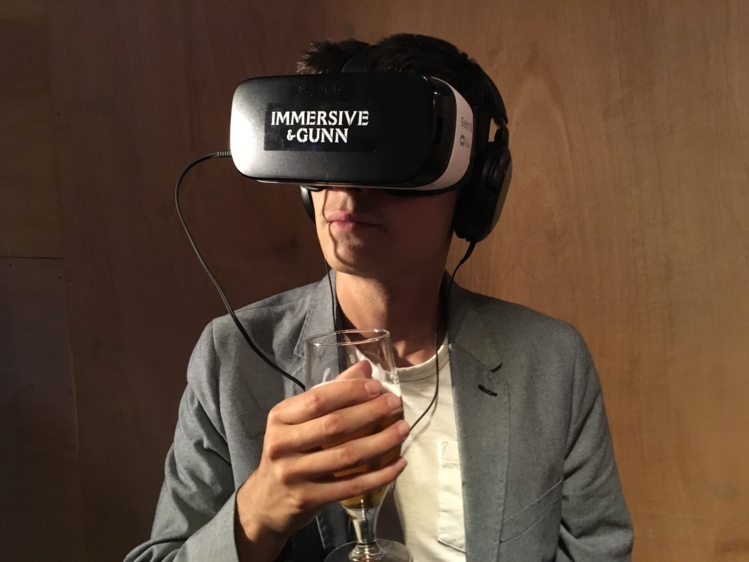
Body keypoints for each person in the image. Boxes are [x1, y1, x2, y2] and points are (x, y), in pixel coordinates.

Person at [125, 34, 633, 562]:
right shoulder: (231, 359)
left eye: (389, 152)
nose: (348, 188)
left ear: (473, 190)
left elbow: (600, 550)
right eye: (332, 149)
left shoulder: (551, 362)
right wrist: (257, 514)